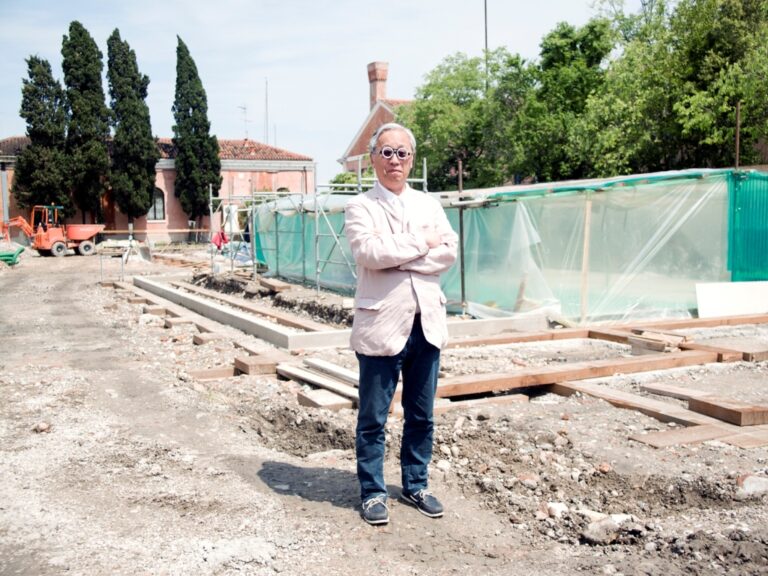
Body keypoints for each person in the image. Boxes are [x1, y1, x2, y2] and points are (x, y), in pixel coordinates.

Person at [344, 123, 458, 526]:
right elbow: (370, 252)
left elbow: (449, 251)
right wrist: (420, 243)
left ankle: (416, 483)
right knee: (373, 416)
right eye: (387, 152)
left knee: (422, 413)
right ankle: (373, 491)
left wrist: (403, 252)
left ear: (412, 159)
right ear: (373, 158)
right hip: (382, 324)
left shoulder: (429, 204)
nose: (395, 160)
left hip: (426, 322)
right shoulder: (361, 206)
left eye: (403, 153)